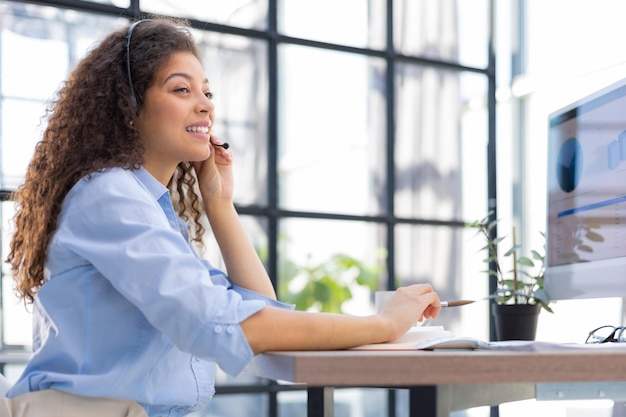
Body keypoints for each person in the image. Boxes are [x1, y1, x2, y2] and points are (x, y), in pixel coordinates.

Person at [1, 17, 441, 417]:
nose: (206, 105)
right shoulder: (109, 195)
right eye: (181, 89)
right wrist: (382, 324)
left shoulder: (149, 206)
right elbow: (215, 324)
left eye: (207, 92)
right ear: (128, 105)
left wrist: (219, 205)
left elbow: (256, 308)